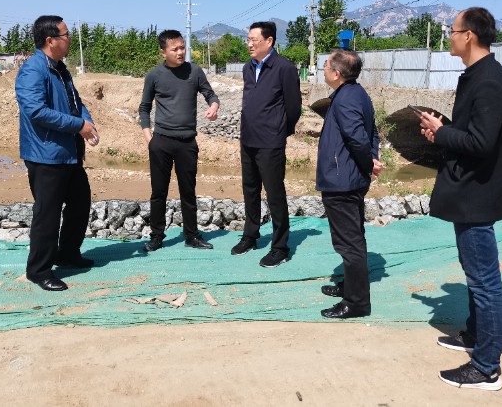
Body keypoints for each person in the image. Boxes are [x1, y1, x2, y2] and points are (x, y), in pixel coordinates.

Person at [418, 7, 502, 391]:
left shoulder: (490, 80)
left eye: (453, 30)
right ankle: (475, 335)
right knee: (475, 274)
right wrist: (442, 130)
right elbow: (472, 133)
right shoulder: (477, 75)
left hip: (477, 194)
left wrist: (443, 133)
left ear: (469, 35)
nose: (449, 35)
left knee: (485, 282)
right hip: (468, 191)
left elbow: (481, 143)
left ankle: (487, 367)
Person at [15, 15, 100, 292]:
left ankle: (68, 254)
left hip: (68, 152)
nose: (70, 39)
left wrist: (87, 122)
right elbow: (36, 111)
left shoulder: (61, 69)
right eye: (66, 35)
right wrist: (78, 125)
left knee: (80, 203)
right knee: (47, 215)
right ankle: (39, 270)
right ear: (50, 40)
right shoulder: (33, 70)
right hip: (46, 154)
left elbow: (76, 102)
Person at [139, 29, 220, 252]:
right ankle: (156, 236)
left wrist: (214, 107)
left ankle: (192, 236)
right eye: (175, 49)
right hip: (161, 142)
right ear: (163, 52)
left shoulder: (195, 71)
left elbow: (210, 95)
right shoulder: (154, 75)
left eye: (182, 47)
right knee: (158, 192)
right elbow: (144, 108)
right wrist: (149, 138)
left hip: (187, 143)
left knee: (188, 191)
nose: (180, 52)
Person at [316, 49, 383, 319]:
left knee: (348, 243)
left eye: (326, 65)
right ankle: (351, 285)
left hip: (342, 181)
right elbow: (372, 131)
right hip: (350, 177)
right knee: (353, 237)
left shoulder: (345, 99)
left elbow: (357, 138)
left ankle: (356, 303)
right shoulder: (356, 93)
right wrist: (373, 158)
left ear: (336, 73)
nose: (323, 68)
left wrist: (368, 163)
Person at [232, 21, 301, 267]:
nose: (249, 44)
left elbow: (293, 107)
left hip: (271, 142)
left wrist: (280, 131)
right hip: (248, 139)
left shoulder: (284, 68)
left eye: (254, 40)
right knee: (250, 190)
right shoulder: (247, 67)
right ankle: (250, 236)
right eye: (248, 40)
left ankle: (280, 247)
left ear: (269, 41)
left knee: (275, 194)